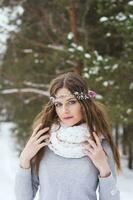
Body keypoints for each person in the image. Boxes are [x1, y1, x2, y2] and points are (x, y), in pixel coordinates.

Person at [15, 72, 121, 200]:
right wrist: (24, 158)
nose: (65, 110)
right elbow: (23, 197)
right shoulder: (44, 141)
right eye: (59, 104)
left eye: (71, 102)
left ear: (83, 104)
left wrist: (104, 168)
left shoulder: (98, 144)